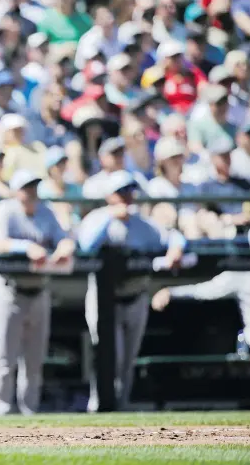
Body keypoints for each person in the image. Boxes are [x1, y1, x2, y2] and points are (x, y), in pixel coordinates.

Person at [78, 170, 186, 412]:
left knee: (128, 360)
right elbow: (86, 245)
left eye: (129, 191)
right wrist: (110, 218)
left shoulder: (142, 224)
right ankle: (99, 405)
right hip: (105, 298)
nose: (127, 197)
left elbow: (173, 237)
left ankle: (123, 405)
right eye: (121, 192)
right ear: (109, 196)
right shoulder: (98, 218)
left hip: (136, 295)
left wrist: (175, 249)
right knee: (108, 357)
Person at [0, 169, 75, 415]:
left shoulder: (46, 210)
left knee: (34, 361)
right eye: (26, 187)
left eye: (34, 186)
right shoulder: (6, 209)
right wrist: (25, 247)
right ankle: (2, 411)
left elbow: (65, 239)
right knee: (5, 360)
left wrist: (64, 248)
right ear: (16, 191)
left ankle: (30, 412)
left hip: (39, 290)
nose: (31, 191)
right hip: (10, 291)